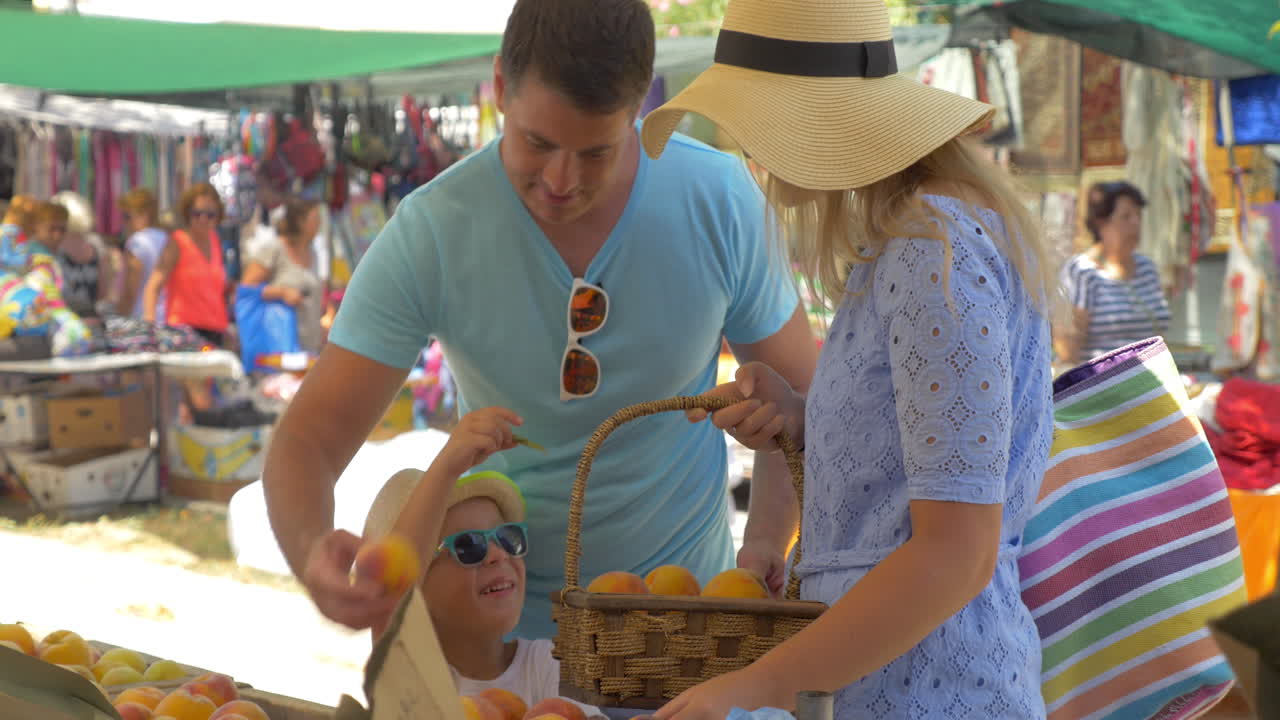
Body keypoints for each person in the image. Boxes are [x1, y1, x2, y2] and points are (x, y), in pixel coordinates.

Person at [262, 0, 817, 642]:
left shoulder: (719, 198)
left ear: (641, 105)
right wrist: (310, 550)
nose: (560, 179)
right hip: (495, 644)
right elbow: (310, 439)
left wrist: (769, 541)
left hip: (684, 634)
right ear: (499, 88)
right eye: (538, 142)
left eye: (595, 152)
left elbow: (804, 409)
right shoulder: (434, 229)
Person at [639, 0, 1056, 716]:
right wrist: (805, 418)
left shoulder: (931, 253)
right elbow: (917, 472)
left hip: (932, 693)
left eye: (756, 124)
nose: (750, 154)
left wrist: (757, 684)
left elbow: (955, 554)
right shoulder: (913, 240)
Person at [361, 410, 602, 719]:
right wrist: (446, 468)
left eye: (507, 537)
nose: (498, 554)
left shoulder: (548, 664)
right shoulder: (414, 681)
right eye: (469, 545)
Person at [1055, 181, 1171, 365]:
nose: (1136, 223)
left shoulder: (1147, 268)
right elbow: (1068, 346)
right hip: (1103, 387)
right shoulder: (1081, 272)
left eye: (1138, 215)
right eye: (1126, 216)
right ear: (1102, 223)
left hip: (1150, 384)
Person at [143, 183, 229, 346]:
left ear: (218, 216)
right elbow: (153, 286)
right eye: (197, 213)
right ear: (188, 213)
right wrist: (150, 327)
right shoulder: (178, 242)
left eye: (210, 214)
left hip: (215, 332)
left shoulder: (215, 241)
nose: (203, 219)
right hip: (183, 332)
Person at [241, 197, 325, 353]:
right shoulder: (275, 249)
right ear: (300, 221)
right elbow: (245, 291)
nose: (319, 223)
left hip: (309, 348)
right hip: (277, 347)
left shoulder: (313, 253)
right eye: (316, 218)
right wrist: (282, 292)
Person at [52, 191, 111, 318]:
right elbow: (103, 292)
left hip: (64, 320)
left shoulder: (56, 247)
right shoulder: (96, 246)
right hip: (91, 318)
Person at [118, 188, 169, 319]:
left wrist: (120, 317)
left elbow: (131, 290)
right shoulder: (166, 238)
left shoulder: (137, 242)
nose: (124, 223)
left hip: (141, 317)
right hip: (166, 315)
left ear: (144, 214)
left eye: (127, 216)